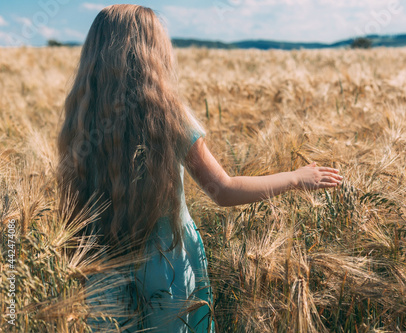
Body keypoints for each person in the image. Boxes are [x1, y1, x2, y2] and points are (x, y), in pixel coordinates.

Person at [56, 4, 343, 333]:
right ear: (153, 52)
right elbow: (223, 190)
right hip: (167, 264)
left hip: (99, 263)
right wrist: (295, 177)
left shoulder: (79, 119)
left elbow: (70, 199)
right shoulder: (167, 114)